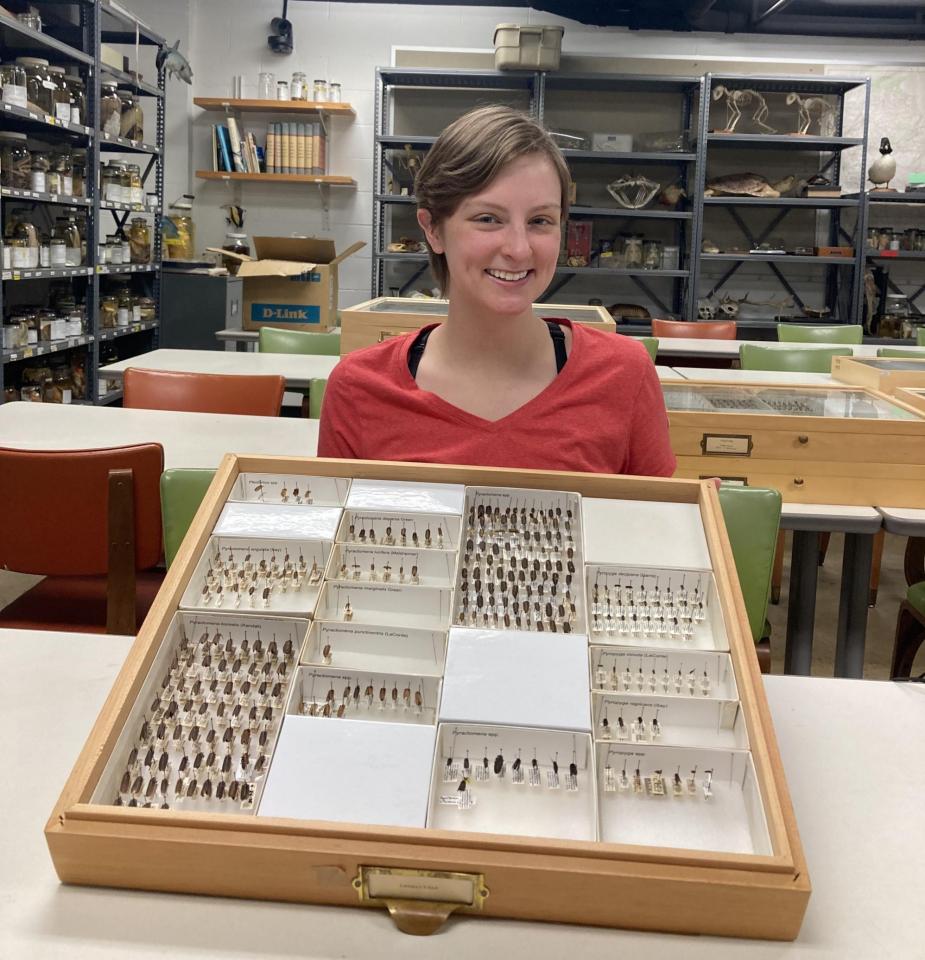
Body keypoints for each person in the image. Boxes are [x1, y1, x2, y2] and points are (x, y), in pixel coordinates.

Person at [318, 104, 675, 477]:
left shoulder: (625, 376)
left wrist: (694, 522)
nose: (519, 249)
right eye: (488, 219)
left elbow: (655, 527)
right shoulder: (359, 388)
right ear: (433, 229)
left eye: (540, 221)